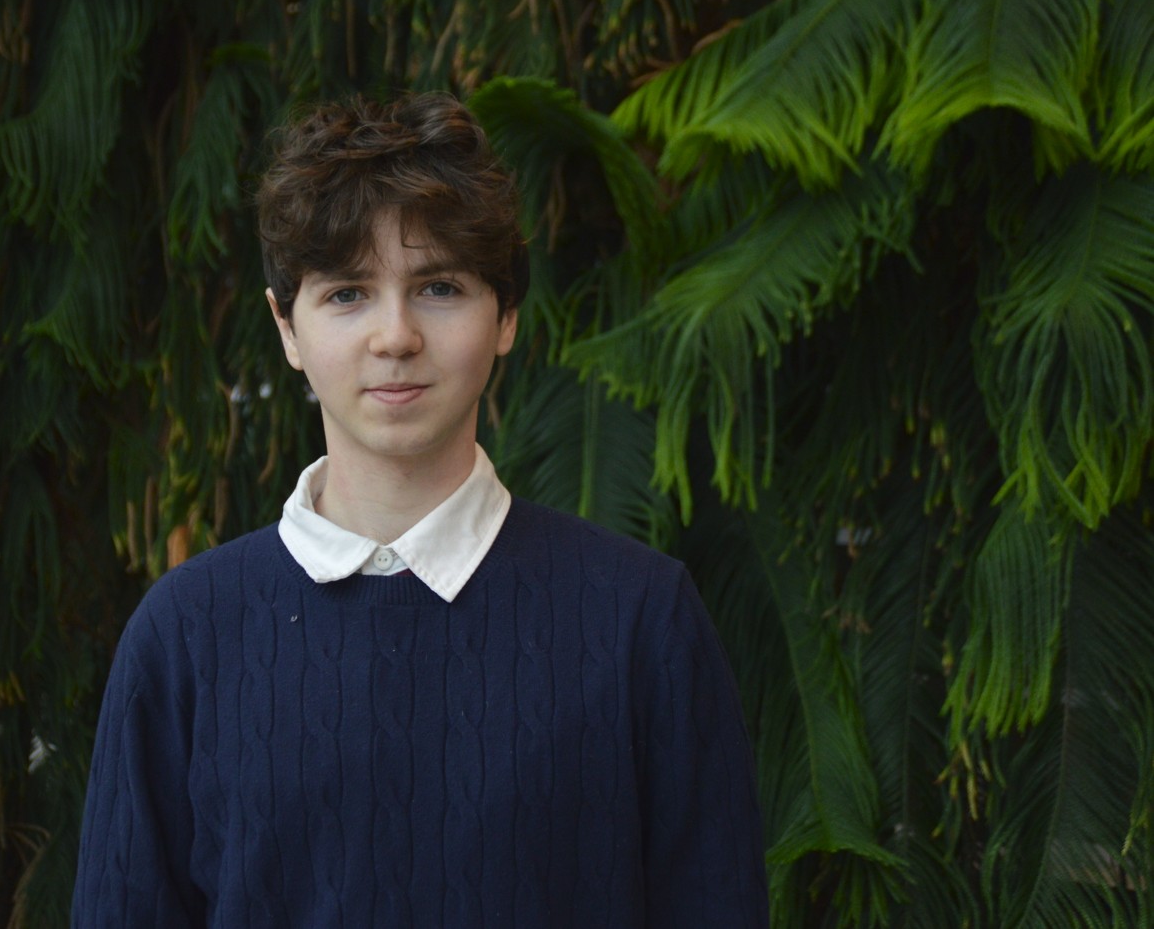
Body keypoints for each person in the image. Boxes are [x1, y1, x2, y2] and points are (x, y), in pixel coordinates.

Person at [72, 92, 768, 927]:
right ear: (286, 327)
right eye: (347, 294)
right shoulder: (185, 635)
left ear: (506, 315)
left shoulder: (640, 621)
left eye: (438, 286)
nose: (395, 335)